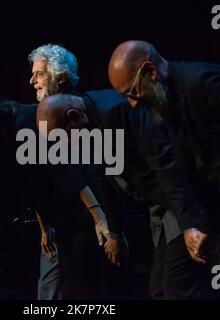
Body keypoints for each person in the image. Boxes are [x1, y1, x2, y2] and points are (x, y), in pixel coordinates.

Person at [36, 90, 207, 299]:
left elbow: (166, 166)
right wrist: (115, 234)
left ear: (74, 117)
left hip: (184, 203)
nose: (64, 147)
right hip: (163, 208)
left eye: (62, 138)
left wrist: (190, 223)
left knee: (177, 289)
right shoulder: (92, 128)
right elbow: (108, 182)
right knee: (160, 290)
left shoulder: (117, 112)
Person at [108, 40, 220, 297]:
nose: (133, 103)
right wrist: (194, 224)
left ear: (150, 71)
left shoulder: (206, 84)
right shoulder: (163, 106)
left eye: (132, 92)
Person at [28, 44, 109, 300]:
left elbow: (77, 174)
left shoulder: (77, 114)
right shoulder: (44, 114)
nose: (32, 80)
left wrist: (100, 219)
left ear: (61, 77)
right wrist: (44, 226)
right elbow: (44, 177)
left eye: (39, 73)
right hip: (62, 227)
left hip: (83, 228)